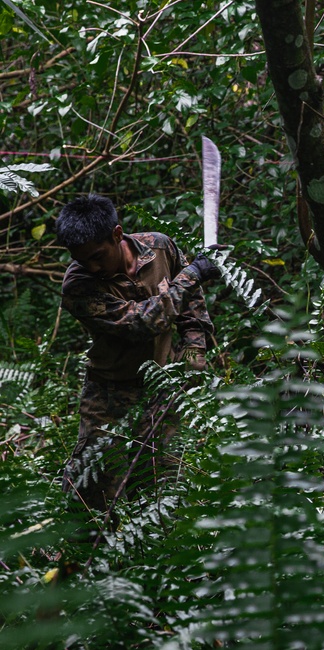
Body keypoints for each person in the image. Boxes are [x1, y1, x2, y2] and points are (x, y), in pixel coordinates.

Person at [54, 194, 221, 515]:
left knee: (161, 481)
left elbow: (193, 306)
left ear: (117, 235)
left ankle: (154, 555)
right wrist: (192, 274)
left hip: (163, 386)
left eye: (98, 256)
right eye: (81, 259)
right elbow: (141, 323)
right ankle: (82, 557)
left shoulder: (160, 247)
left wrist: (194, 354)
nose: (92, 266)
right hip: (109, 392)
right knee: (91, 486)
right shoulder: (77, 285)